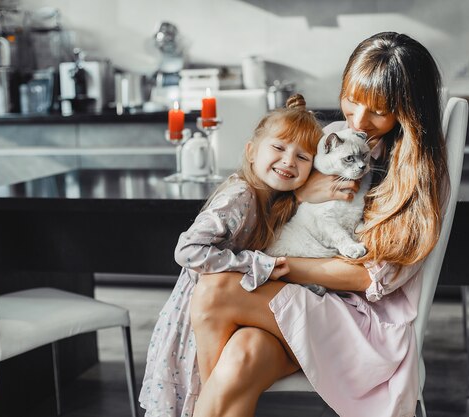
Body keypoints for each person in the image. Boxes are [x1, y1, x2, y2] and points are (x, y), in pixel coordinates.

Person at [188, 32, 449, 417]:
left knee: (214, 291)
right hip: (305, 305)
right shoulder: (332, 140)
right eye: (352, 100)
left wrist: (282, 268)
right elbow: (280, 207)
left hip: (360, 321)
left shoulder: (414, 177)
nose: (358, 120)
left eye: (378, 111)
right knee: (242, 356)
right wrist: (299, 196)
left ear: (409, 111)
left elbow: (369, 279)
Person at [138, 94, 325, 417]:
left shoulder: (276, 200)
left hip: (233, 309)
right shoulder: (240, 195)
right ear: (251, 152)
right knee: (205, 395)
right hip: (205, 313)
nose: (289, 161)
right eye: (278, 148)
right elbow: (188, 250)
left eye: (303, 157)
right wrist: (254, 264)